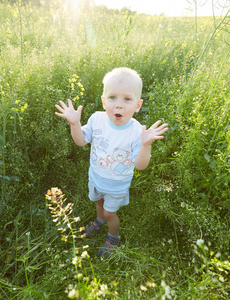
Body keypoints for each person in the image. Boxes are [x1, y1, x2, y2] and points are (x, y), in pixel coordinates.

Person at [55, 67, 168, 258]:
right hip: (97, 178)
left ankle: (113, 236)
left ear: (138, 105)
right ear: (103, 101)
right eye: (113, 97)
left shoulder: (137, 132)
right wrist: (74, 124)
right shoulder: (96, 119)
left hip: (116, 185)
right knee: (99, 203)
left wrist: (145, 145)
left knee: (110, 213)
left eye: (127, 99)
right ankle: (99, 221)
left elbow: (140, 166)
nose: (119, 105)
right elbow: (81, 141)